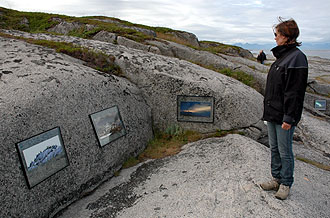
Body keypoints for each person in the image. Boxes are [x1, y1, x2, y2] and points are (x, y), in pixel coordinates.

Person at [260, 17, 308, 200]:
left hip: (284, 115)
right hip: (273, 112)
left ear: (287, 37)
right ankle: (276, 178)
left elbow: (294, 92)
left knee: (284, 150)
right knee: (274, 148)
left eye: (277, 34)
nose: (275, 38)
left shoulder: (297, 58)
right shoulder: (283, 57)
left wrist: (289, 117)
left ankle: (286, 183)